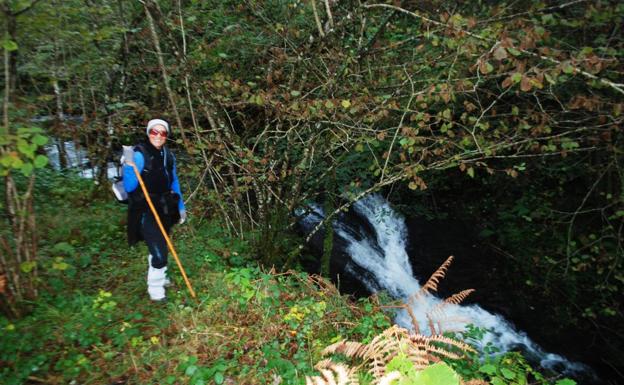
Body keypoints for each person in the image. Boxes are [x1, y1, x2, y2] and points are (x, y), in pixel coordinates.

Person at [122, 119, 187, 302]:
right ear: (148, 132)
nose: (158, 136)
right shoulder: (139, 154)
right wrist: (128, 165)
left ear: (166, 136)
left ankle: (161, 275)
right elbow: (129, 186)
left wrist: (181, 207)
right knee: (159, 252)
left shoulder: (168, 155)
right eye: (154, 132)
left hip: (164, 207)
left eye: (163, 133)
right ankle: (156, 290)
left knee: (162, 243)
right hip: (145, 208)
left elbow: (174, 181)